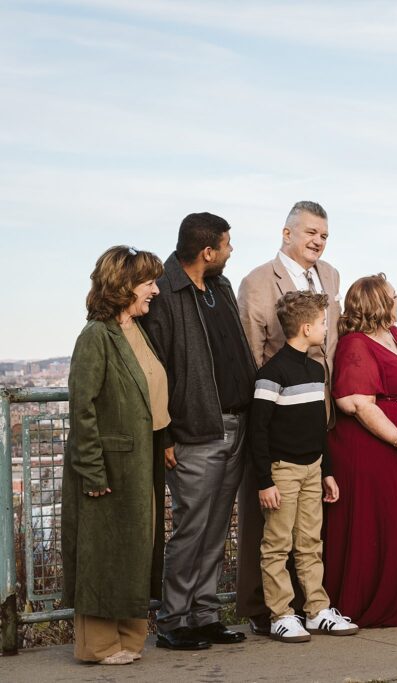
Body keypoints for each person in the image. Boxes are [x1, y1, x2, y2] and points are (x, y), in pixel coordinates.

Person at [141, 212, 255, 649]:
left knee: (216, 526)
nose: (231, 252)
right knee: (190, 527)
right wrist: (164, 435)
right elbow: (155, 369)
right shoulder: (166, 293)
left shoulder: (221, 287)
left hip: (235, 423)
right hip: (194, 431)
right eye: (227, 245)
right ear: (208, 252)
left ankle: (205, 614)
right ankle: (173, 621)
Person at [236, 200, 342, 635]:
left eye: (323, 235)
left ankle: (313, 606)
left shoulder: (331, 275)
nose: (317, 241)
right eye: (310, 233)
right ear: (287, 234)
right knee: (271, 529)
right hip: (276, 422)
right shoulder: (257, 282)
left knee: (309, 531)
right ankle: (268, 611)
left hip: (319, 413)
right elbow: (251, 353)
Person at [62, 246, 168, 665]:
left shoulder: (136, 330)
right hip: (110, 465)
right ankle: (99, 646)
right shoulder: (95, 336)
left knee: (134, 551)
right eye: (148, 283)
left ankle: (128, 638)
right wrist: (92, 471)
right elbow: (82, 407)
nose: (155, 291)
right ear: (124, 286)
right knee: (103, 554)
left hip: (143, 460)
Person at [323, 274, 397, 627]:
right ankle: (374, 602)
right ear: (378, 303)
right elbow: (356, 403)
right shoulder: (355, 344)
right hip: (375, 448)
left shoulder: (396, 335)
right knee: (384, 521)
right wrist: (395, 437)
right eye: (393, 295)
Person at [248, 291, 358, 642]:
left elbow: (319, 426)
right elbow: (258, 431)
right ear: (307, 327)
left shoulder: (314, 370)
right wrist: (265, 480)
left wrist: (326, 471)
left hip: (313, 470)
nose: (327, 328)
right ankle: (281, 613)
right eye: (324, 323)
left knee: (310, 543)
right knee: (278, 544)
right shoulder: (271, 373)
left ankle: (316, 610)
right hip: (282, 472)